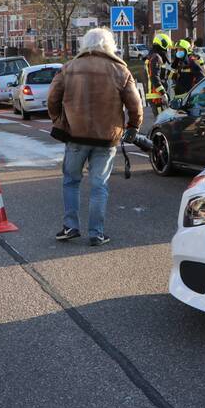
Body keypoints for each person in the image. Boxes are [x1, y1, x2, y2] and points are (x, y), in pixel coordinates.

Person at [48, 27, 143, 246]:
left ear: (85, 44)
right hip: (106, 137)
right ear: (109, 45)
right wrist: (133, 126)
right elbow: (135, 104)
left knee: (71, 181)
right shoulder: (120, 70)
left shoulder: (69, 68)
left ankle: (70, 226)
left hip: (75, 136)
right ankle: (96, 233)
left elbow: (53, 98)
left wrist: (59, 121)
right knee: (99, 185)